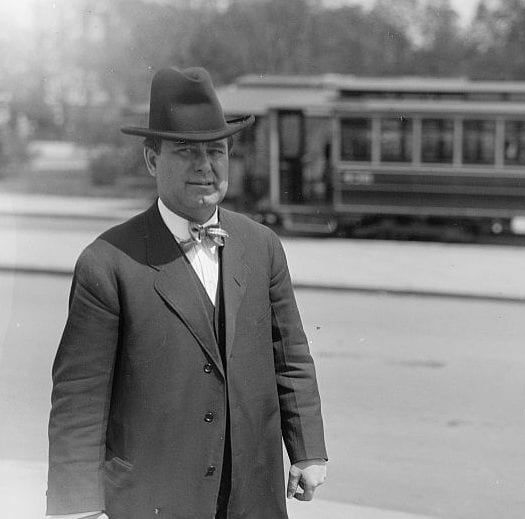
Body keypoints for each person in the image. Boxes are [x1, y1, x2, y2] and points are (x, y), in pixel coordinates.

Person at [46, 67, 327, 519]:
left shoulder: (262, 246)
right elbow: (79, 397)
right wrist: (77, 507)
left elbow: (290, 353)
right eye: (186, 151)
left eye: (216, 151)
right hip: (151, 497)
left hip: (252, 496)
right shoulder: (107, 262)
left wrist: (307, 449)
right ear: (151, 161)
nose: (205, 166)